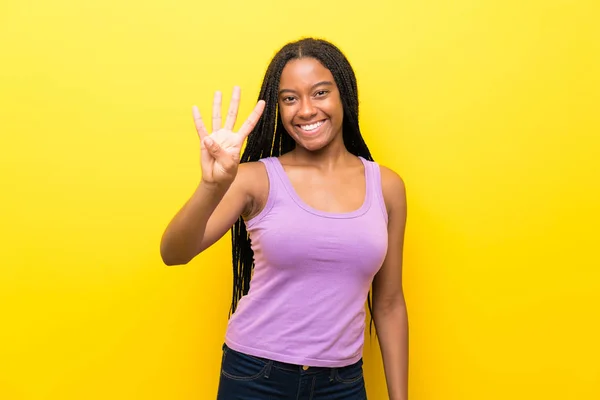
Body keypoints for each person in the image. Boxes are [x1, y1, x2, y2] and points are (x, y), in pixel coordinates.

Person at [160, 37, 408, 400]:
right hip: (255, 376)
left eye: (320, 93)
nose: (305, 110)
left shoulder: (386, 186)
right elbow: (174, 253)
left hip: (342, 384)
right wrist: (210, 187)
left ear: (344, 96)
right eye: (290, 99)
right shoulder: (253, 179)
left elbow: (388, 304)